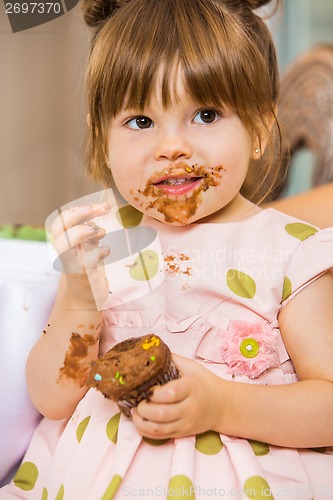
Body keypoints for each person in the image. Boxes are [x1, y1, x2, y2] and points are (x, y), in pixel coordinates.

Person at [2, 0, 333, 498]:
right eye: (140, 121)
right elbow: (54, 398)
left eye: (205, 114)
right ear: (101, 138)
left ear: (261, 129)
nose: (172, 146)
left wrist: (223, 405)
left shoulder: (291, 252)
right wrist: (78, 302)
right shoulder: (103, 246)